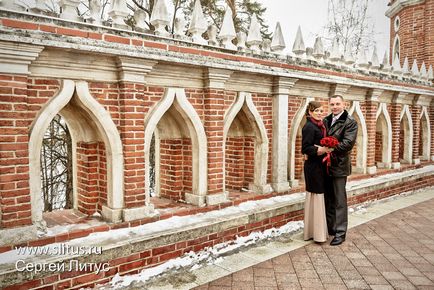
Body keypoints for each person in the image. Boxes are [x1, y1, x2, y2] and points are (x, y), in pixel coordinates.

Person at [323, 95, 358, 246]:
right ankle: (331, 228)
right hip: (325, 165)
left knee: (339, 200)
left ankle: (340, 232)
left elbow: (347, 144)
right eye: (332, 104)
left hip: (339, 165)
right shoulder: (325, 120)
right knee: (328, 198)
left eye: (337, 104)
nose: (335, 106)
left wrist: (329, 147)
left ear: (344, 104)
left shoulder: (350, 122)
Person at [302, 101, 331, 243]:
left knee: (319, 196)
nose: (320, 113)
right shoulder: (309, 126)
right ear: (310, 112)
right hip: (313, 167)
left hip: (320, 165)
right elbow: (305, 148)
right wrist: (321, 150)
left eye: (321, 111)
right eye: (317, 111)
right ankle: (316, 234)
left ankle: (317, 232)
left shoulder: (321, 125)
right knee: (316, 196)